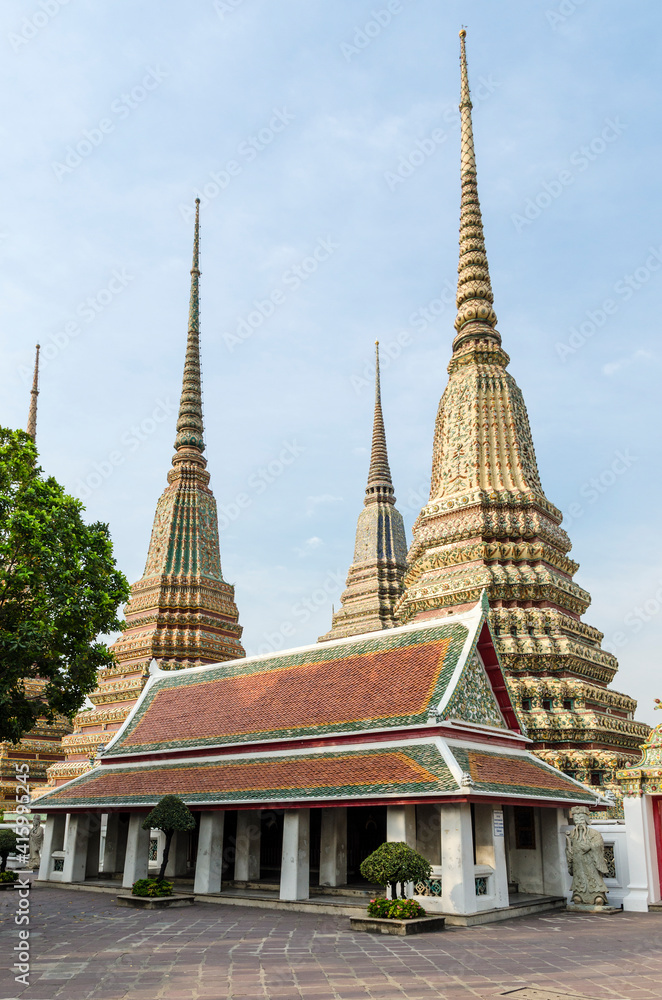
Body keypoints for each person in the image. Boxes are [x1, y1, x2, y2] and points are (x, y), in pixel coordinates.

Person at [565, 806, 608, 905]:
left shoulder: (594, 833)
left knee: (594, 878)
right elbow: (568, 848)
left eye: (581, 819)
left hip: (591, 863)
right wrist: (569, 850)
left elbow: (599, 844)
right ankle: (578, 895)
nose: (579, 823)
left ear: (586, 819)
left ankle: (598, 895)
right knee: (579, 880)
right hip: (578, 864)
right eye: (576, 820)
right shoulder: (572, 834)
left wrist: (590, 846)